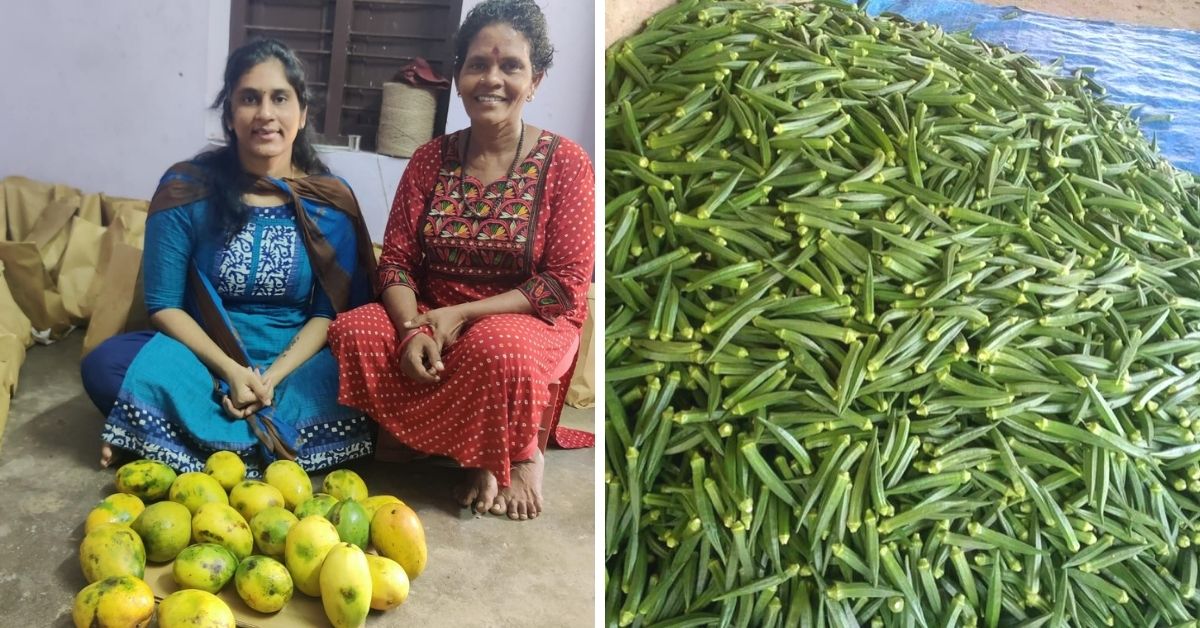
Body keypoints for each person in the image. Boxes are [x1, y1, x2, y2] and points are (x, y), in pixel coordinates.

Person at [327, 0, 595, 521]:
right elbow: (397, 262)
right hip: (431, 311)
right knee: (357, 330)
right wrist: (412, 328)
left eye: (510, 66)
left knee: (497, 348)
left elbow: (563, 284)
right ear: (457, 76)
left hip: (524, 321)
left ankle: (508, 455)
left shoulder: (565, 163)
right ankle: (426, 439)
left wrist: (462, 316)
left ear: (535, 80)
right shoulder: (430, 159)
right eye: (477, 64)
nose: (491, 79)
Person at [80, 38, 378, 475]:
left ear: (303, 113)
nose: (265, 114)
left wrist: (269, 380)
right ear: (230, 115)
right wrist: (231, 371)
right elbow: (163, 304)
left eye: (280, 98)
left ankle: (166, 440)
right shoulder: (187, 189)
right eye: (249, 99)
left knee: (367, 380)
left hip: (295, 362)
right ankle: (262, 447)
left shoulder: (329, 202)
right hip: (202, 356)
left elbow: (327, 314)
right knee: (105, 366)